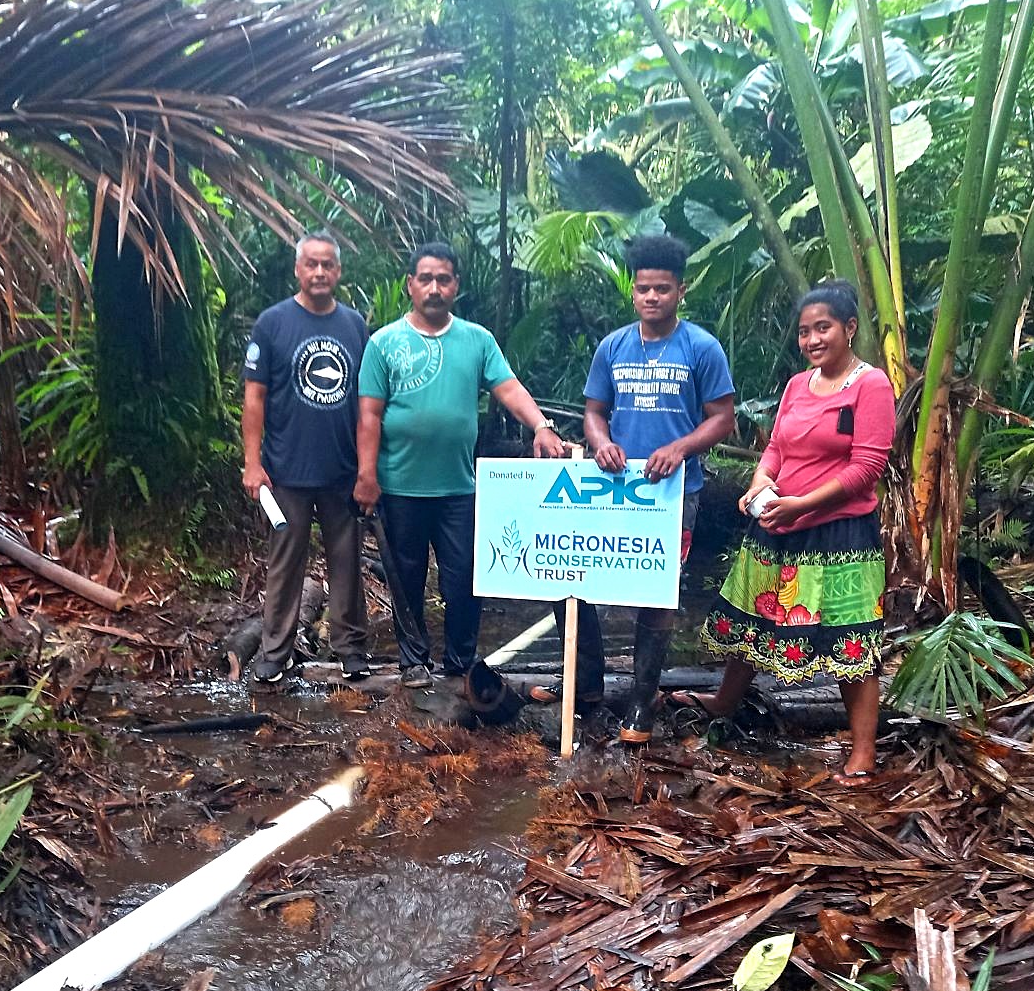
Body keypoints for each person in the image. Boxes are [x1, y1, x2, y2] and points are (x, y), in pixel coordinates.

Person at [679, 279, 894, 784]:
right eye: (804, 332)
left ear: (850, 328)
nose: (813, 340)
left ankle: (863, 750)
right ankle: (723, 702)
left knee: (850, 639)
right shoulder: (799, 385)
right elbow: (775, 448)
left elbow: (867, 468)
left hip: (840, 536)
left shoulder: (871, 385)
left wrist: (800, 506)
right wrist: (759, 486)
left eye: (823, 328)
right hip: (778, 526)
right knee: (755, 619)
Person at [532, 234, 736, 744]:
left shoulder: (701, 347)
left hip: (673, 493)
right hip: (612, 487)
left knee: (658, 589)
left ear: (680, 291)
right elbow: (595, 413)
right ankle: (587, 685)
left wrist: (681, 448)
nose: (652, 297)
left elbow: (723, 419)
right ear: (633, 291)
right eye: (644, 288)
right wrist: (599, 443)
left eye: (662, 289)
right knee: (576, 572)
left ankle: (642, 703)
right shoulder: (613, 347)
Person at [355, 241, 566, 689]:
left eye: (443, 279)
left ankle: (459, 662)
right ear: (411, 284)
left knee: (466, 578)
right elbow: (369, 414)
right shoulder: (383, 343)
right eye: (425, 278)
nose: (434, 287)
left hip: (459, 488)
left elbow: (508, 389)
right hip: (399, 486)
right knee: (406, 576)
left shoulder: (477, 340)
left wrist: (542, 426)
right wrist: (367, 475)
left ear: (456, 286)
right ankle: (413, 662)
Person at [242, 229, 371, 684]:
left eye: (327, 265)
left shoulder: (354, 325)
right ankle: (275, 652)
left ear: (338, 271)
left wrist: (366, 469)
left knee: (347, 561)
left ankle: (351, 650)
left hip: (342, 470)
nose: (319, 272)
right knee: (286, 563)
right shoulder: (273, 323)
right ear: (298, 270)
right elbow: (254, 398)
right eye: (311, 264)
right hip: (286, 471)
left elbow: (366, 401)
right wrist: (252, 462)